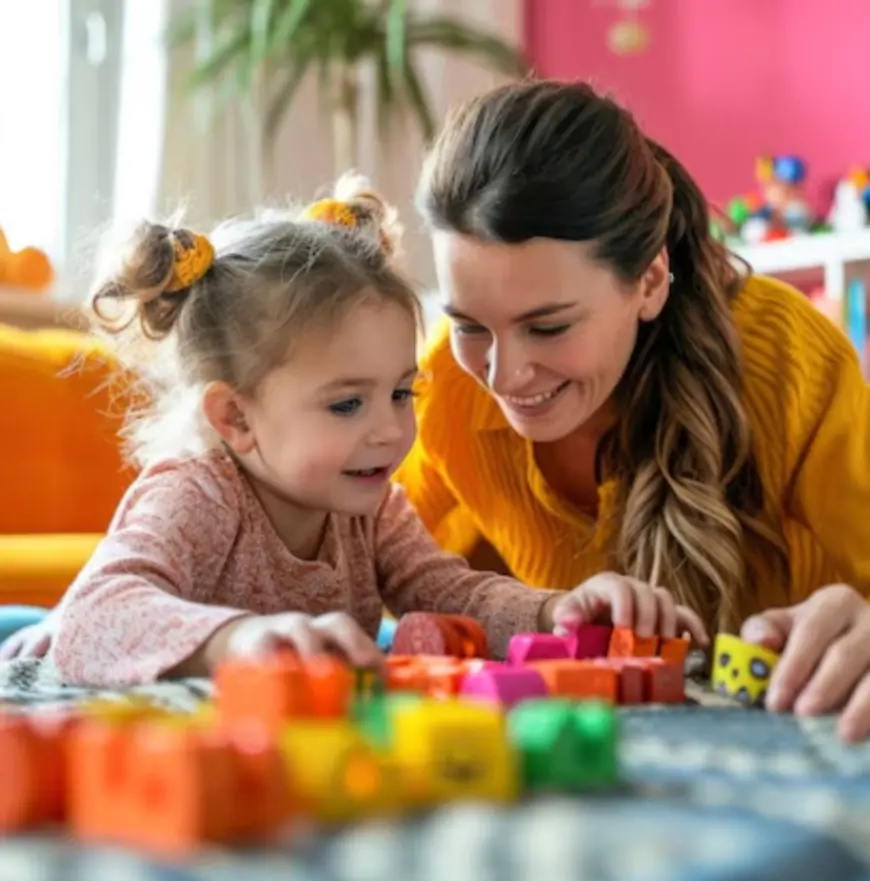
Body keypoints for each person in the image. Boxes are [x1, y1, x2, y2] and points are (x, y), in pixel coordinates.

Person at [16, 174, 702, 688]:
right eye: (347, 404)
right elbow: (97, 612)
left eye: (402, 392)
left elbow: (450, 592)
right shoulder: (198, 493)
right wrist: (239, 639)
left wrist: (561, 611)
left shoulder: (371, 505)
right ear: (236, 418)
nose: (390, 430)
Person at [396, 79, 870, 740]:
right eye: (472, 324)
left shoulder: (791, 359)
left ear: (648, 281)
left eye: (549, 326)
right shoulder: (446, 380)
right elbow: (367, 560)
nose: (503, 376)